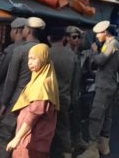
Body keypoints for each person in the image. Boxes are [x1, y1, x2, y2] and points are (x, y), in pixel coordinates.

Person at [0, 17, 46, 158]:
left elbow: (11, 80)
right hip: (36, 101)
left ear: (28, 30)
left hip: (18, 99)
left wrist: (4, 103)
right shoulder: (44, 50)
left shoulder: (20, 50)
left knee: (5, 136)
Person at [6, 44, 60, 158]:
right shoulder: (38, 79)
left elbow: (33, 115)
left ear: (44, 58)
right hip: (30, 141)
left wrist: (17, 138)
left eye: (34, 58)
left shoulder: (43, 84)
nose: (30, 62)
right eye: (29, 58)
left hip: (31, 143)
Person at [82, 20, 119, 158]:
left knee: (96, 116)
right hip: (108, 84)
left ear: (105, 32)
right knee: (106, 116)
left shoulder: (111, 45)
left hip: (104, 86)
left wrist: (93, 52)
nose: (97, 37)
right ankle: (103, 145)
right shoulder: (111, 44)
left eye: (98, 34)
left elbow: (100, 61)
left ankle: (92, 149)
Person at [0, 17, 27, 158]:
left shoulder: (12, 50)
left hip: (7, 98)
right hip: (26, 99)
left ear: (16, 30)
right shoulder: (36, 49)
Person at [48, 27, 78, 158]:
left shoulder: (47, 53)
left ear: (50, 38)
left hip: (48, 97)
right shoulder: (72, 55)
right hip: (65, 96)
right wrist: (73, 98)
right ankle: (67, 152)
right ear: (64, 38)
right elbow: (76, 82)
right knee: (64, 126)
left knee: (46, 126)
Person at [65, 26, 88, 153]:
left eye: (78, 37)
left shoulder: (77, 52)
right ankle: (68, 146)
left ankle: (77, 141)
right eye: (74, 37)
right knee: (66, 121)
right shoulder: (66, 53)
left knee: (76, 119)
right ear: (67, 38)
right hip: (67, 92)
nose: (77, 40)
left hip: (77, 91)